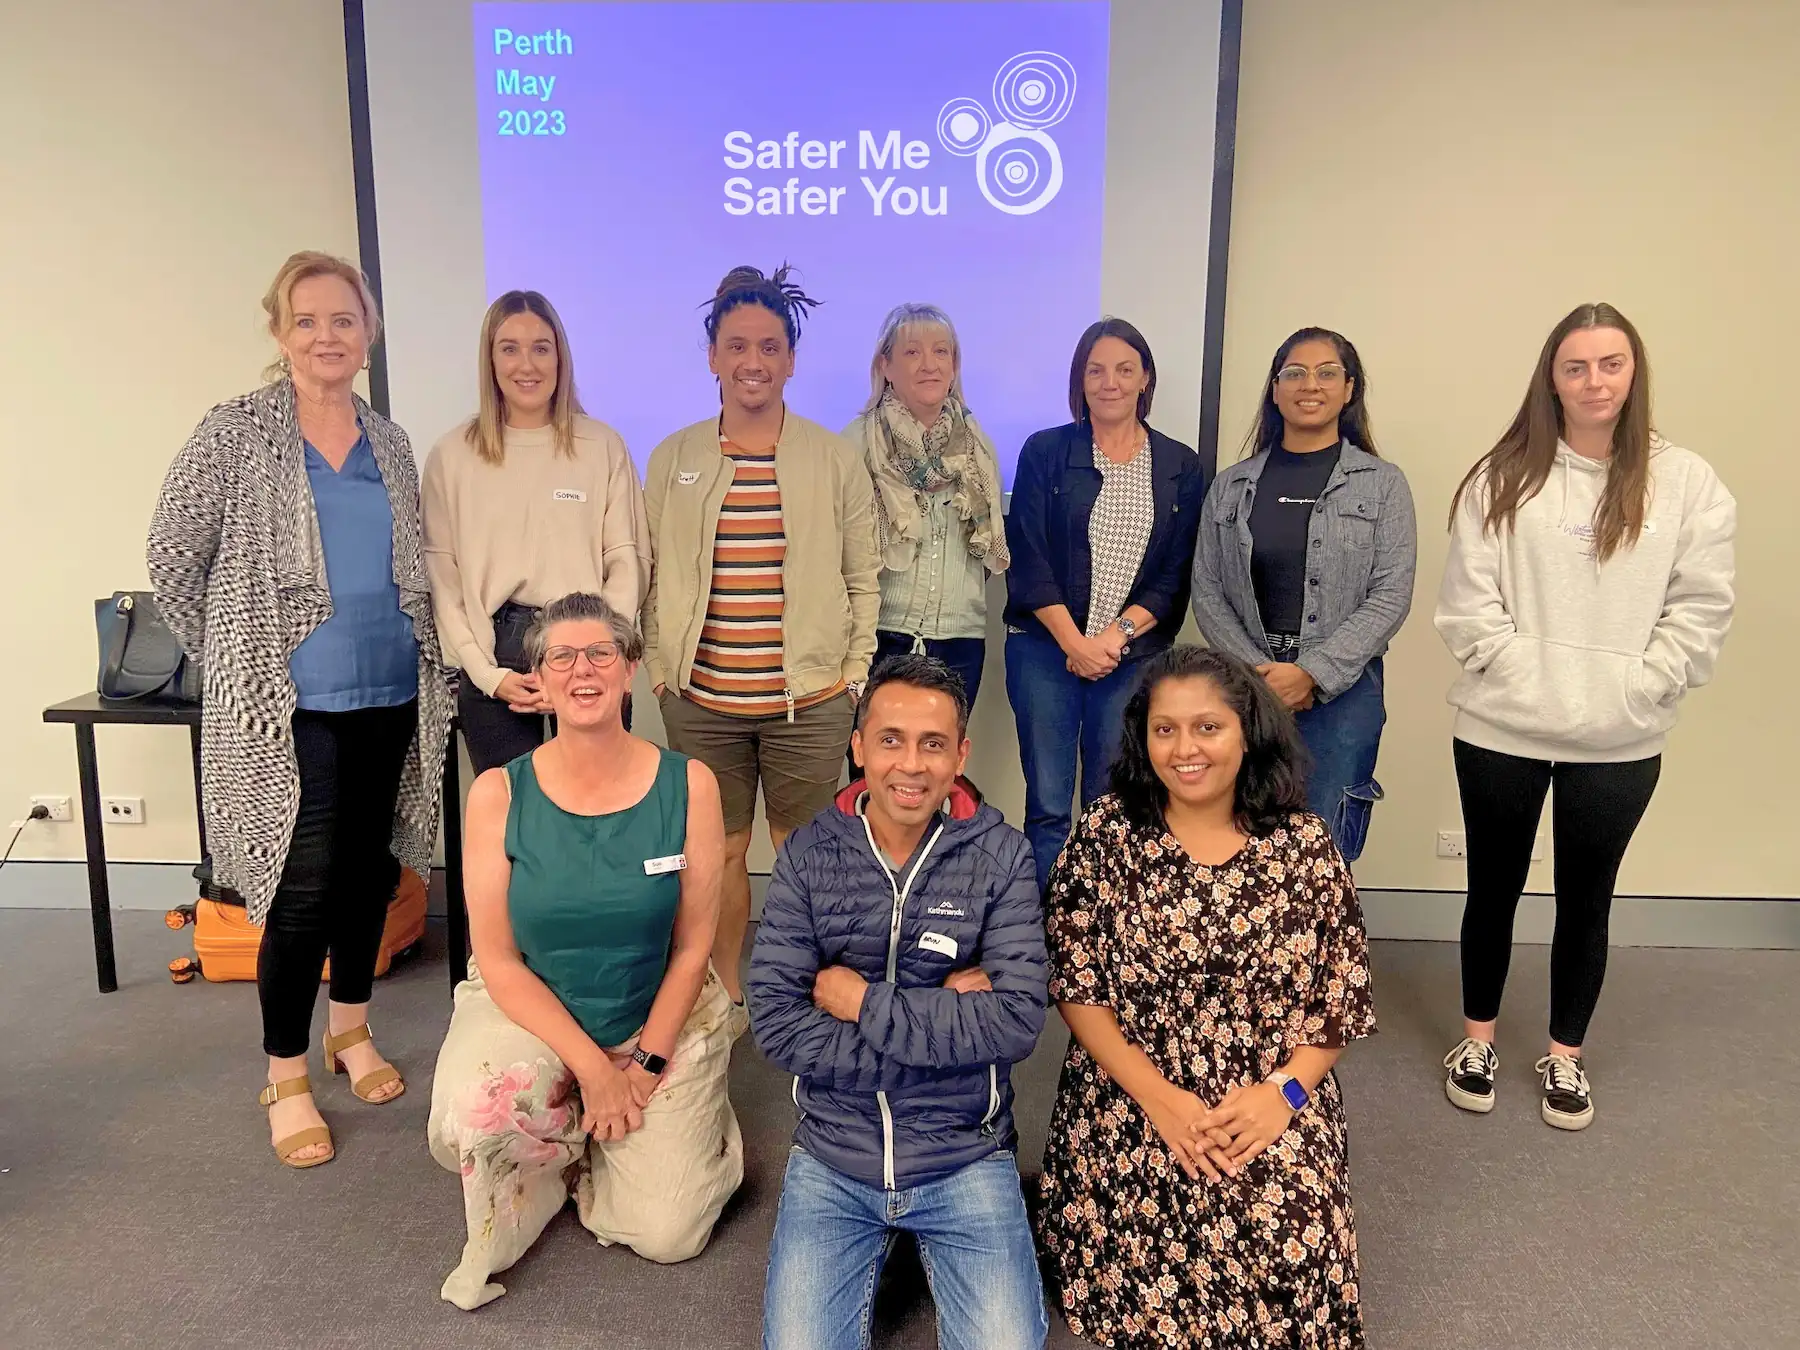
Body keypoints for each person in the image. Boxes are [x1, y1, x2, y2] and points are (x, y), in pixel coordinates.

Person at [146, 251, 453, 1170]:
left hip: (393, 688)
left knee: (369, 875)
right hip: (291, 710)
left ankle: (350, 1032)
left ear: (370, 334)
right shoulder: (234, 432)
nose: (328, 336)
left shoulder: (390, 442)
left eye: (344, 321)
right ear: (279, 333)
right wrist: (236, 662)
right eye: (308, 320)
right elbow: (172, 556)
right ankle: (284, 1073)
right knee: (301, 887)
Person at [1435, 302, 1735, 1131]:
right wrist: (1528, 678)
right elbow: (1468, 608)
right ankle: (1478, 1040)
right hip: (1501, 727)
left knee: (1586, 898)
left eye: (1611, 363)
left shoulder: (1687, 482)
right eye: (1576, 366)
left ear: (1634, 373)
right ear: (1552, 378)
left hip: (1622, 735)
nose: (1594, 380)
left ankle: (1565, 1058)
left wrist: (1641, 687)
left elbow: (1702, 605)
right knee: (1490, 890)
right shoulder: (1503, 475)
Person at [1036, 645, 1376, 1348]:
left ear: (1248, 730)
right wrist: (1161, 1101)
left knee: (1296, 1250)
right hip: (1131, 1087)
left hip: (1268, 1087)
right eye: (1166, 729)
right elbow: (1076, 985)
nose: (1185, 749)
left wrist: (1279, 1097)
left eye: (1207, 727)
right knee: (1156, 1253)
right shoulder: (1107, 835)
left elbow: (1337, 999)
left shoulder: (1307, 846)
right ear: (1143, 737)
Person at [427, 593, 743, 1309]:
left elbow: (695, 947)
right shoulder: (497, 796)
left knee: (669, 1233)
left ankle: (619, 1136)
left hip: (657, 1006)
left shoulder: (688, 785)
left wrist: (646, 1064)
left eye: (601, 653)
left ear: (630, 669)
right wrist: (595, 1072)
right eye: (561, 657)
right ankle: (574, 1133)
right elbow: (500, 960)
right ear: (538, 678)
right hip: (533, 1006)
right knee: (473, 1117)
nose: (583, 669)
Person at [749, 654, 1050, 1350]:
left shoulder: (1000, 855)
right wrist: (939, 1022)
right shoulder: (807, 856)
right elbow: (776, 1020)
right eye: (890, 739)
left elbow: (1014, 1022)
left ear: (960, 754)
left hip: (963, 1154)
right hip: (834, 1154)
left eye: (932, 743)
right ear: (857, 746)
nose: (910, 765)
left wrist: (860, 1002)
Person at [642, 264, 880, 1001]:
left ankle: (807, 991)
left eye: (771, 346)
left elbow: (863, 578)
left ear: (791, 359)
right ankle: (728, 997)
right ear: (713, 354)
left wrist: (853, 673)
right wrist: (659, 666)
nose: (754, 361)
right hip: (703, 703)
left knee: (808, 859)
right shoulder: (674, 457)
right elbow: (650, 576)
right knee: (719, 855)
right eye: (738, 345)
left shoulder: (831, 457)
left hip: (808, 703)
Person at [1191, 328, 1417, 860]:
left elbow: (1390, 593)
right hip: (1246, 688)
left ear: (1349, 389)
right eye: (1294, 373)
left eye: (1326, 373)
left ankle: (1319, 945)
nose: (1308, 384)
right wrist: (1259, 678)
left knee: (1326, 844)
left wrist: (1312, 672)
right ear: (1274, 390)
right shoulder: (1231, 485)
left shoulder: (1383, 484)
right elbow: (1207, 589)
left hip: (1344, 692)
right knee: (1242, 837)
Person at [1003, 318, 1208, 890]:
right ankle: (1046, 946)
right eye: (1096, 370)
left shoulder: (1179, 465)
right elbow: (1030, 556)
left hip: (1130, 658)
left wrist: (1113, 639)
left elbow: (1174, 575)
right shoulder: (1046, 450)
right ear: (1080, 380)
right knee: (1046, 805)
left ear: (1146, 379)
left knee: (1110, 806)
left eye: (1124, 369)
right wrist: (1075, 644)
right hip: (1045, 650)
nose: (1109, 382)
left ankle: (1097, 939)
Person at [422, 289, 651, 775]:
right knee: (511, 820)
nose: (526, 364)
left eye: (541, 347)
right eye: (509, 348)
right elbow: (442, 579)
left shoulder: (601, 446)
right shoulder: (453, 455)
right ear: (490, 359)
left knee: (604, 811)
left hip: (589, 644)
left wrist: (592, 657)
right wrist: (487, 675)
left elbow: (627, 562)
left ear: (560, 356)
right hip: (496, 654)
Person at [842, 303, 1009, 711]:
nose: (929, 365)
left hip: (959, 637)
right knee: (872, 767)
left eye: (941, 352)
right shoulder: (853, 446)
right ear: (886, 365)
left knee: (944, 767)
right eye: (912, 352)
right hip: (876, 635)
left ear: (954, 366)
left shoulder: (979, 449)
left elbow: (985, 551)